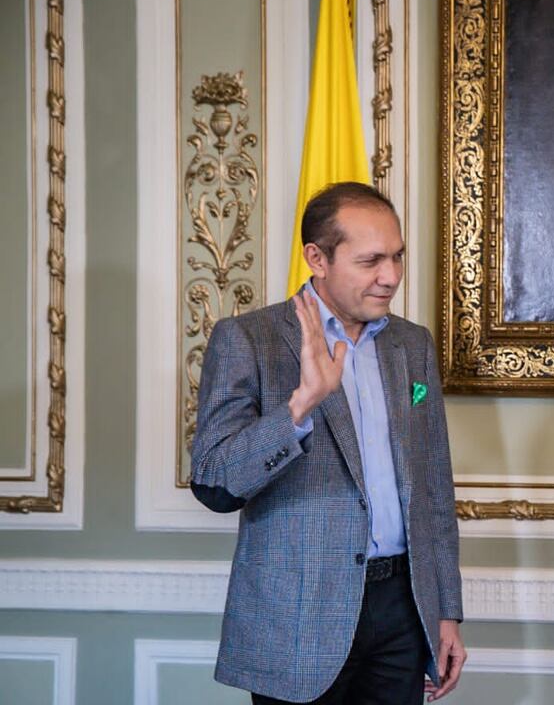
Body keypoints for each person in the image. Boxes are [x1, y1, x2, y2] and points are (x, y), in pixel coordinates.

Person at [190, 182, 466, 704]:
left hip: (403, 612)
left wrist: (445, 611)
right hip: (297, 620)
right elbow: (214, 480)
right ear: (317, 258)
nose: (391, 277)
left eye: (397, 257)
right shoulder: (248, 339)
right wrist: (300, 406)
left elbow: (433, 486)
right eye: (371, 261)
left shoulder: (413, 344)